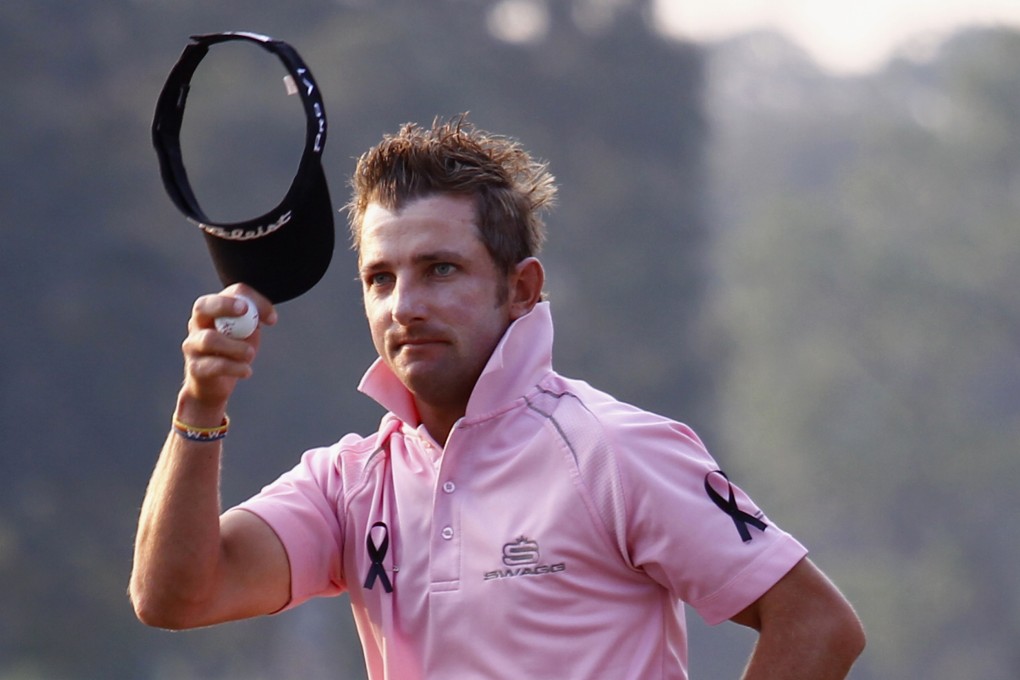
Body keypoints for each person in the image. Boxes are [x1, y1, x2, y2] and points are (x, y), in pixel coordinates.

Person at [130, 116, 865, 679]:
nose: (405, 305)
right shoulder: (349, 482)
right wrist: (201, 405)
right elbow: (175, 598)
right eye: (380, 279)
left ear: (521, 289)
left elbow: (816, 622)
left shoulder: (611, 449)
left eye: (441, 269)